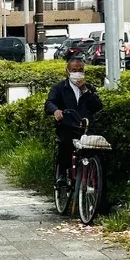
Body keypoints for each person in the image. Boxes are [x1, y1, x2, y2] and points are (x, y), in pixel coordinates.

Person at [45, 58, 103, 186]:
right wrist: (56, 111)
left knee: (95, 149)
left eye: (80, 70)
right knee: (65, 144)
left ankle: (94, 180)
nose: (77, 73)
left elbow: (98, 106)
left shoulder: (89, 88)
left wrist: (84, 90)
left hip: (86, 127)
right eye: (74, 70)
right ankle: (62, 175)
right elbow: (49, 103)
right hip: (67, 126)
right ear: (68, 71)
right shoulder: (60, 88)